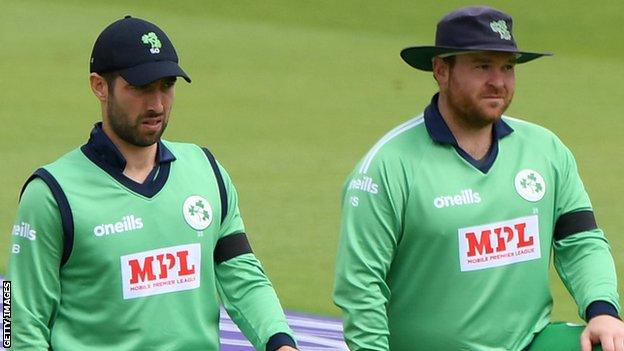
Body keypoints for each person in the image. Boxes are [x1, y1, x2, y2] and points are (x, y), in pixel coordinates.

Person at [333, 6, 624, 351]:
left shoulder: (546, 150)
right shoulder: (387, 167)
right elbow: (361, 286)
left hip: (527, 343)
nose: (498, 82)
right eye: (482, 66)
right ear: (441, 70)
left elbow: (581, 242)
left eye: (508, 67)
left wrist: (603, 310)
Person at [7, 16, 297, 351]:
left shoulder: (205, 171)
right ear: (99, 86)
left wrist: (280, 341)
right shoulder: (52, 194)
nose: (157, 104)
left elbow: (242, 275)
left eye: (166, 85)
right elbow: (19, 321)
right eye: (141, 88)